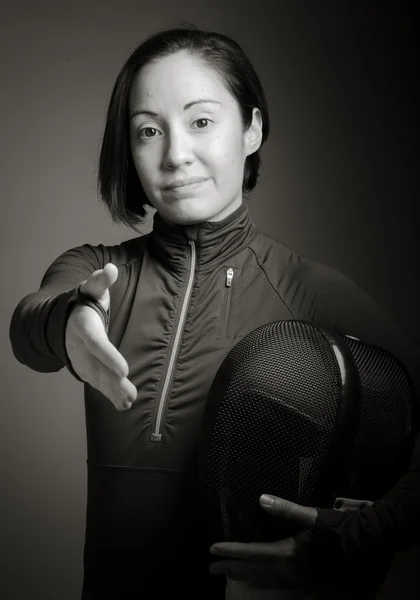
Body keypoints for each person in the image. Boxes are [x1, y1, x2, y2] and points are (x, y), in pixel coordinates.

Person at [9, 24, 420, 600]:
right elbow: (28, 326)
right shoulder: (97, 269)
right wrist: (71, 324)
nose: (176, 155)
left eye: (201, 121)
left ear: (251, 129)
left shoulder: (306, 290)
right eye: (149, 131)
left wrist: (348, 541)